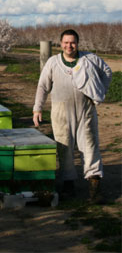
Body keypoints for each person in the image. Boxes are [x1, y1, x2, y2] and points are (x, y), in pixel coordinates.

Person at [33, 29, 112, 203]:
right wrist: (37, 109)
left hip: (86, 111)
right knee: (64, 147)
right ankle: (68, 185)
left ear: (78, 43)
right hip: (61, 112)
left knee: (90, 146)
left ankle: (94, 187)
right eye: (66, 42)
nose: (69, 46)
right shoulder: (53, 63)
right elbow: (42, 87)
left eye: (73, 42)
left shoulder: (89, 59)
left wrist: (99, 92)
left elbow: (107, 72)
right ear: (60, 44)